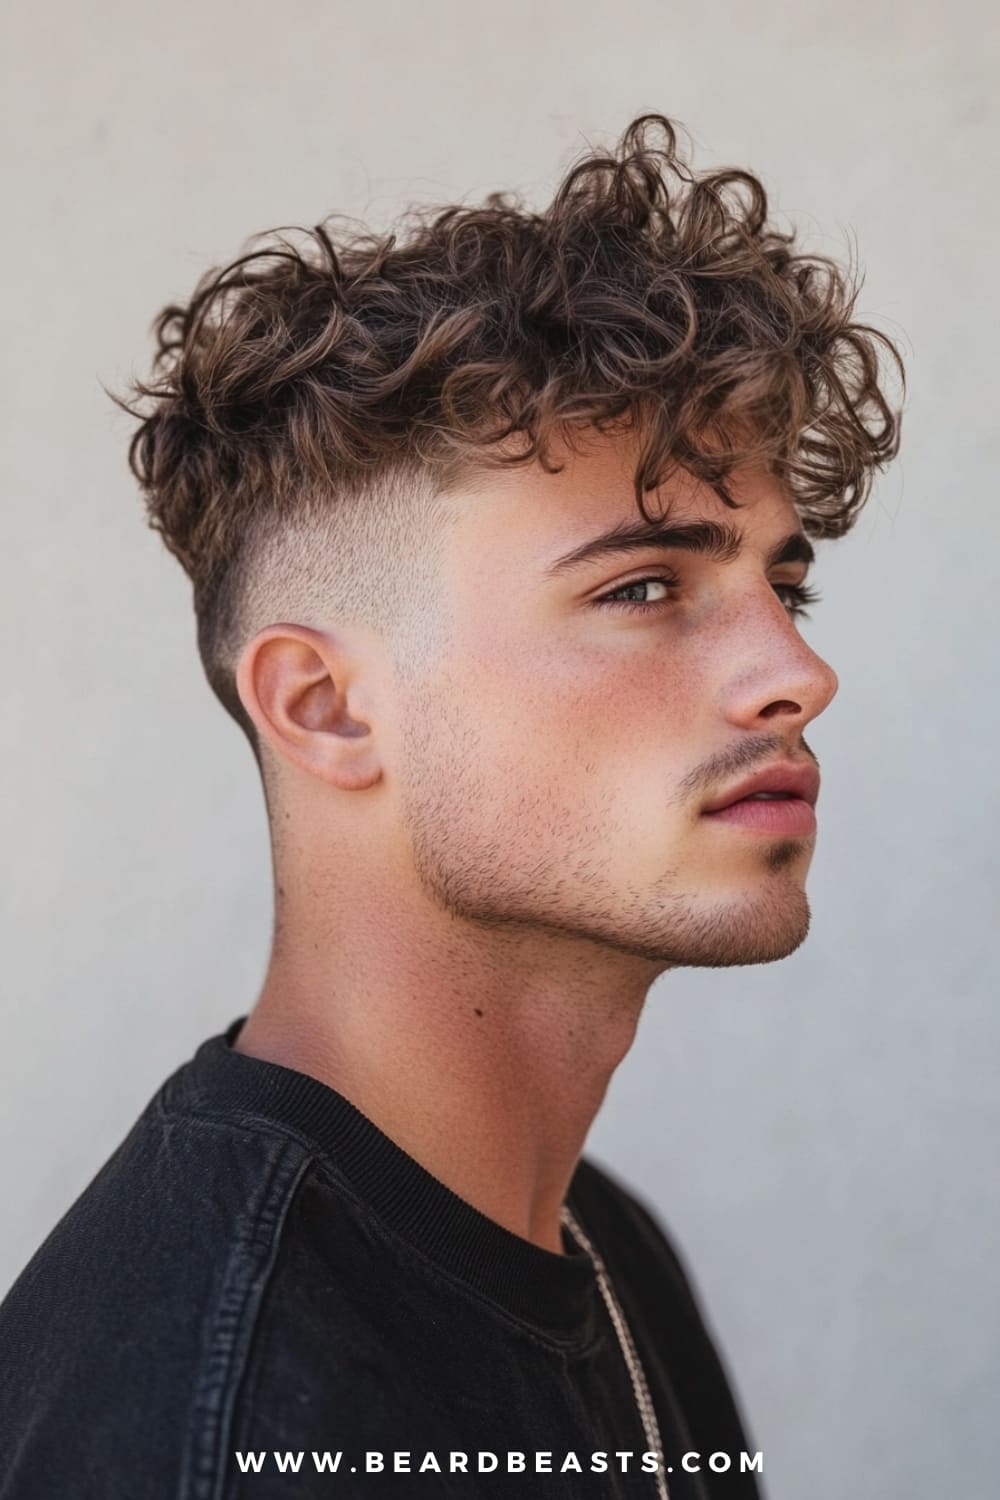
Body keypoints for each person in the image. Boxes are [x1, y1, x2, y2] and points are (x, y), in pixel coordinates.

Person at [0, 113, 903, 1498]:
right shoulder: (220, 1421)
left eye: (786, 587)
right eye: (646, 588)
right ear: (326, 707)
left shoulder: (593, 1243)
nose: (799, 672)